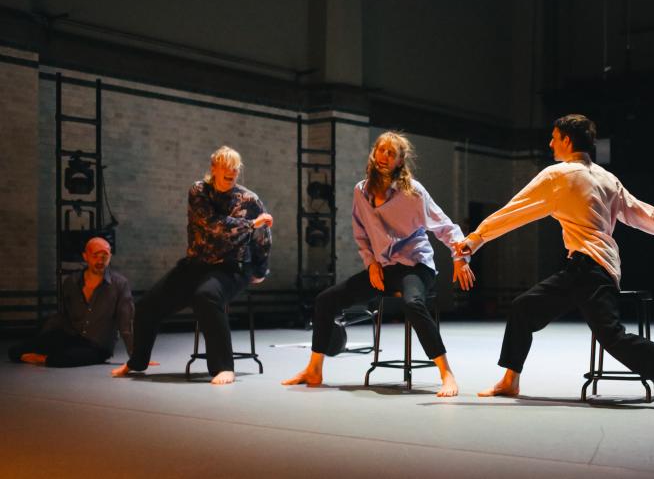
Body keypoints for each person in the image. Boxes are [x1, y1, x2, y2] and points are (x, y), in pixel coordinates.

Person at [452, 114, 654, 399]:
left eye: (554, 137)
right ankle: (510, 380)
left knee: (613, 337)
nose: (550, 143)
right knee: (523, 309)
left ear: (567, 140)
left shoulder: (557, 175)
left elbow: (515, 211)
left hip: (589, 270)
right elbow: (641, 213)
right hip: (590, 269)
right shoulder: (607, 178)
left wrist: (475, 238)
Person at [283, 131, 475, 397]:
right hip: (383, 269)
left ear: (399, 161)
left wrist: (460, 258)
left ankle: (446, 373)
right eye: (381, 150)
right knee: (325, 300)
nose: (384, 156)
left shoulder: (413, 192)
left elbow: (445, 226)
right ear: (374, 153)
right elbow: (360, 233)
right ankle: (314, 369)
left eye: (391, 153)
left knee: (413, 303)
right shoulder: (361, 191)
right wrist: (371, 263)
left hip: (416, 265)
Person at [112, 146, 272, 385]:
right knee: (146, 307)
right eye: (225, 167)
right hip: (196, 265)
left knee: (206, 296)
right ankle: (137, 361)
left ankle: (224, 367)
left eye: (235, 168)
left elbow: (263, 237)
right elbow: (211, 225)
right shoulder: (199, 191)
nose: (231, 171)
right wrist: (250, 225)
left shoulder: (250, 199)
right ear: (214, 169)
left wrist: (259, 271)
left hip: (232, 267)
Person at [9, 237, 133, 367]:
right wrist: (43, 337)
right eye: (95, 255)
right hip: (72, 337)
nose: (100, 260)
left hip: (98, 345)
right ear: (85, 256)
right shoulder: (72, 282)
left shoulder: (120, 284)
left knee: (60, 360)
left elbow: (126, 324)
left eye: (105, 255)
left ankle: (44, 359)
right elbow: (62, 316)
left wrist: (135, 356)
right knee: (16, 351)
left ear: (110, 257)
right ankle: (44, 355)